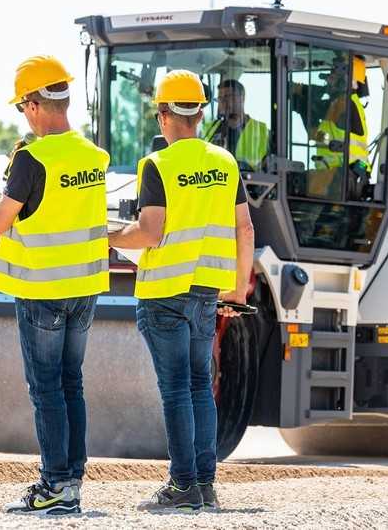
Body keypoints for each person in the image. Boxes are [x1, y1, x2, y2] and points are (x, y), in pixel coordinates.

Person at [109, 70, 255, 511]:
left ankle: (181, 485)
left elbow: (150, 233)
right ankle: (204, 484)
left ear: (165, 114)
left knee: (175, 389)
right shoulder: (225, 162)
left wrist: (106, 235)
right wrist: (238, 293)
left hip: (165, 293)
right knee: (197, 386)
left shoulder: (158, 165)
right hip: (207, 292)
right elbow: (245, 229)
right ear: (200, 113)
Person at [0, 55, 110, 516]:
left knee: (47, 387)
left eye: (21, 107)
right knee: (72, 384)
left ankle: (54, 485)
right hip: (85, 288)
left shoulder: (31, 158)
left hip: (42, 291)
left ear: (33, 105)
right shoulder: (95, 156)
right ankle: (71, 481)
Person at [291, 55, 371, 199]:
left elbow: (315, 108)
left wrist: (300, 94)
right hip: (336, 176)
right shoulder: (338, 104)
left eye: (333, 76)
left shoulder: (345, 104)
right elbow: (316, 129)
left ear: (348, 80)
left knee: (291, 184)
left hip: (346, 178)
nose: (328, 80)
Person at [202, 79, 269, 170]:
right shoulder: (209, 129)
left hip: (250, 182)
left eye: (227, 97)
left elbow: (269, 167)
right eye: (220, 98)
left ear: (242, 98)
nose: (222, 101)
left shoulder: (261, 131)